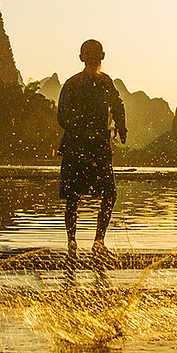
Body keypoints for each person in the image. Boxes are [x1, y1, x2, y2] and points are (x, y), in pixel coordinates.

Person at [57, 39, 127, 276]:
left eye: (95, 55)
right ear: (82, 58)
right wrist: (82, 129)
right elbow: (62, 116)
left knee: (109, 194)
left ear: (102, 57)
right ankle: (72, 244)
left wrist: (121, 125)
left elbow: (117, 105)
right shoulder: (72, 84)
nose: (93, 59)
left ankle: (98, 243)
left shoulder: (105, 82)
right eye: (89, 55)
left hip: (97, 147)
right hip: (78, 146)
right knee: (73, 197)